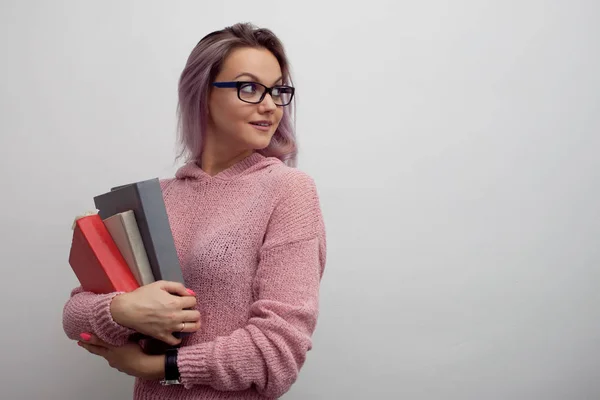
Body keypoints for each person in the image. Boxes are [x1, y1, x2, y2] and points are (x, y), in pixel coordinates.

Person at [62, 22, 327, 400]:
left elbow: (278, 353)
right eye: (249, 87)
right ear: (203, 95)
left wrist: (157, 368)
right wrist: (123, 310)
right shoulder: (158, 198)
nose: (270, 105)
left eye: (278, 90)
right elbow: (74, 314)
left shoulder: (288, 190)